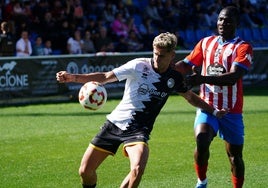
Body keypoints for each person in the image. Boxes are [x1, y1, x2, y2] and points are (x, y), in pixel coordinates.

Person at [56, 32, 227, 188]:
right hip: (114, 124)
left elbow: (190, 97)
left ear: (172, 55)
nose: (157, 59)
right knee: (85, 172)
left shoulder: (174, 78)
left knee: (137, 169)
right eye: (155, 54)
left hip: (138, 131)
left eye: (162, 56)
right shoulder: (138, 66)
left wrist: (213, 112)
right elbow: (106, 77)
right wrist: (73, 77)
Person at [174, 6, 253, 188]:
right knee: (202, 140)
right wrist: (164, 70)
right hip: (207, 106)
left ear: (237, 23)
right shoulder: (205, 43)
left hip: (231, 111)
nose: (223, 23)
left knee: (234, 157)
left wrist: (201, 78)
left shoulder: (244, 47)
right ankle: (202, 181)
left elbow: (233, 77)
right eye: (220, 19)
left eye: (228, 20)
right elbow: (186, 64)